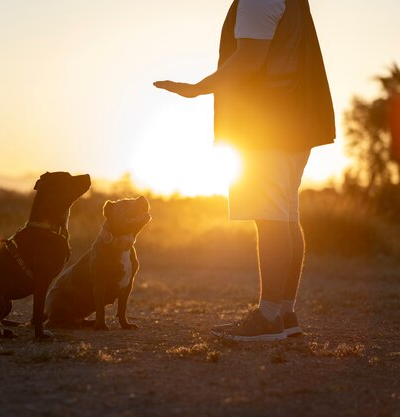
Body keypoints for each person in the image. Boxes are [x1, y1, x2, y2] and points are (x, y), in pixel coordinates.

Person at [154, 0, 335, 341]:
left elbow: (249, 60)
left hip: (264, 124)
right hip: (295, 121)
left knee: (271, 217)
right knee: (286, 215)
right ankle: (284, 314)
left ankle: (268, 317)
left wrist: (196, 89)